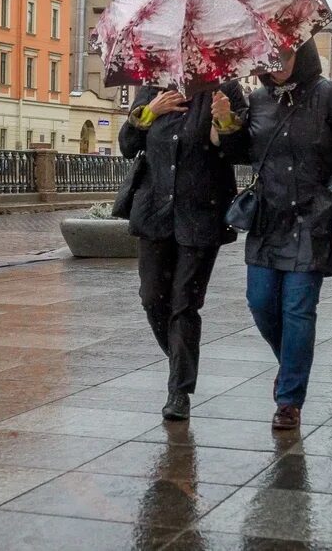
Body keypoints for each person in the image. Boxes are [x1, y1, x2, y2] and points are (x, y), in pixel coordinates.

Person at [211, 40, 332, 430]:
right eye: (270, 56)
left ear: (303, 55)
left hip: (311, 220)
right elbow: (241, 153)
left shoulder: (329, 95)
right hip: (268, 218)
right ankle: (292, 364)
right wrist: (226, 123)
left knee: (298, 309)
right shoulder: (259, 99)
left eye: (285, 55)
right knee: (260, 303)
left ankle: (289, 400)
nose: (277, 63)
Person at [119, 81, 247, 421]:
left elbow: (242, 152)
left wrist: (225, 123)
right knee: (151, 298)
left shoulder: (224, 91)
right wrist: (150, 112)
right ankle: (181, 363)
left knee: (184, 304)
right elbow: (127, 146)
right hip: (155, 213)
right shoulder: (152, 89)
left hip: (201, 215)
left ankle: (179, 391)